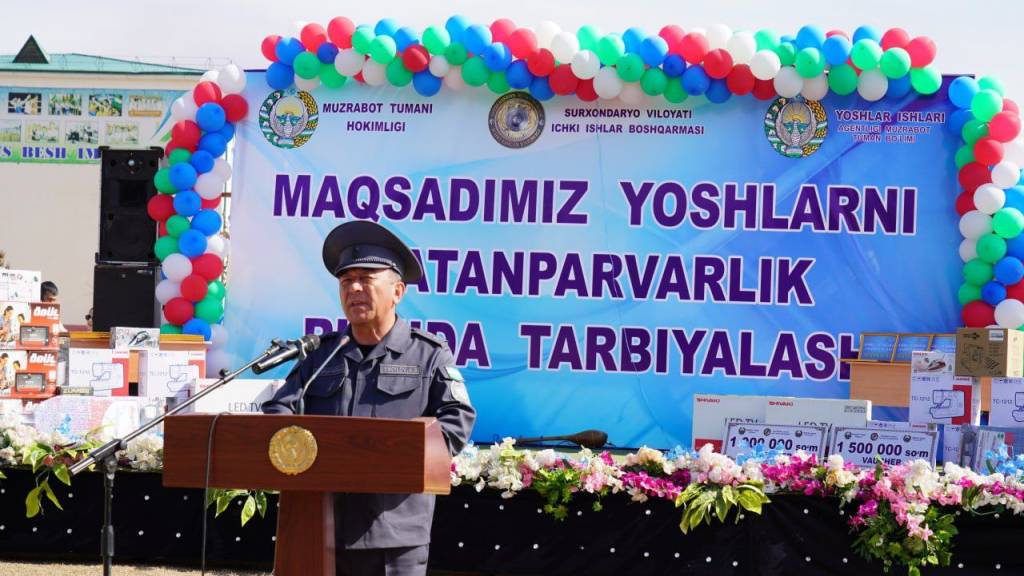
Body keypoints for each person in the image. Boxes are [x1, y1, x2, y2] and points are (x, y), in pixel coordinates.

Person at [262, 221, 476, 576]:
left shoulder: (429, 355)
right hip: (321, 525)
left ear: (397, 291)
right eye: (346, 281)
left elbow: (456, 421)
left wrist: (400, 452)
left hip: (394, 533)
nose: (354, 288)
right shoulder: (321, 355)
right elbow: (279, 410)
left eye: (366, 278)